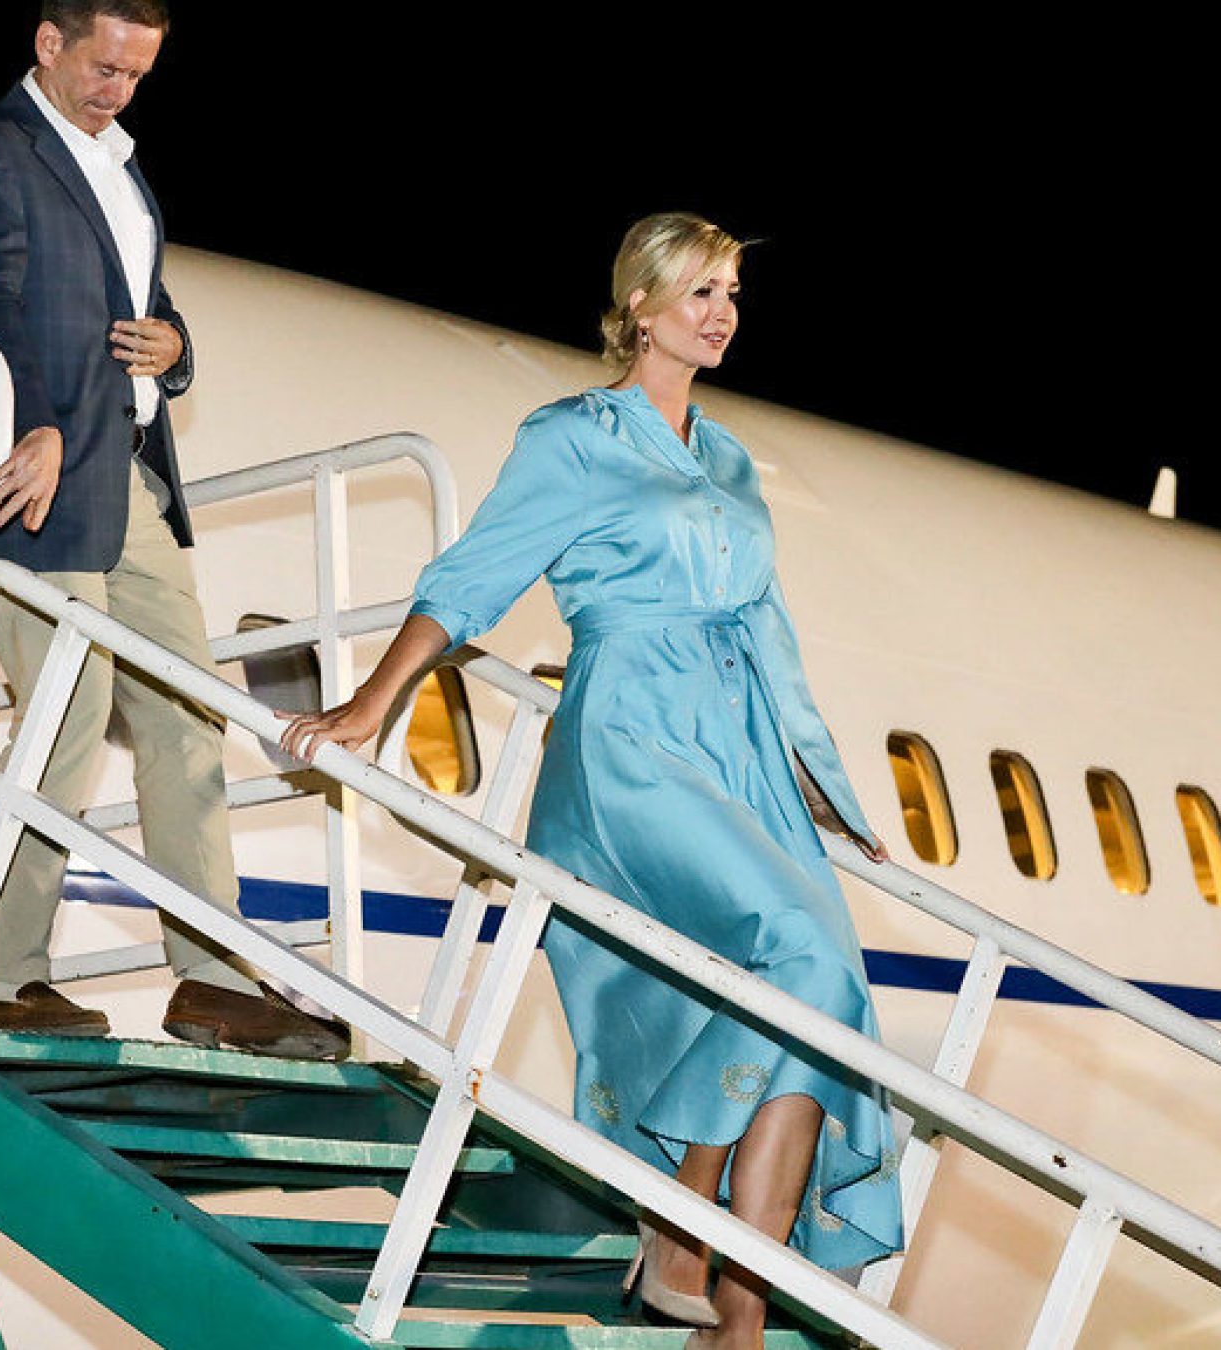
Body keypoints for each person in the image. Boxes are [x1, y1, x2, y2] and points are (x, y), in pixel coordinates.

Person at [281, 213, 905, 1345]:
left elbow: (766, 621)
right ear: (642, 305)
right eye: (700, 291)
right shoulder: (573, 435)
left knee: (828, 985)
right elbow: (475, 576)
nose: (721, 312)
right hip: (628, 735)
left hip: (739, 744)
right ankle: (680, 1226)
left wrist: (815, 774)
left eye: (730, 292)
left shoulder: (724, 457)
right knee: (799, 949)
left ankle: (741, 1308)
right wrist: (377, 703)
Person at [0, 0, 344, 1059]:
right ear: (48, 42)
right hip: (39, 470)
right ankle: (4, 975)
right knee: (68, 715)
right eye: (103, 66)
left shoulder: (120, 166)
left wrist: (176, 349)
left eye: (137, 74)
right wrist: (45, 426)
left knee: (185, 716)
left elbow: (145, 304)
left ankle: (209, 978)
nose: (117, 89)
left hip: (126, 477)